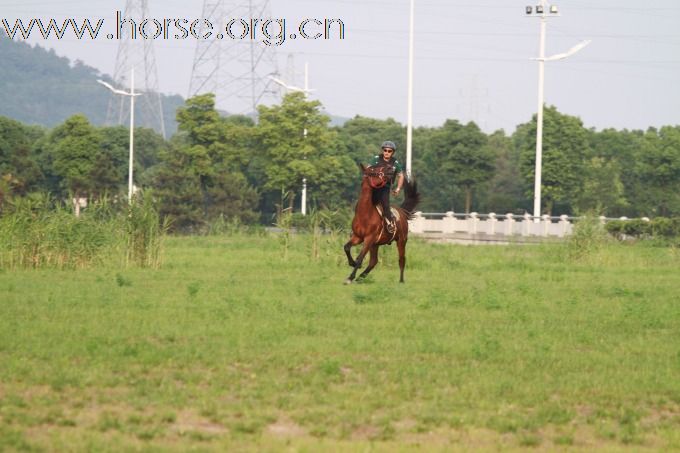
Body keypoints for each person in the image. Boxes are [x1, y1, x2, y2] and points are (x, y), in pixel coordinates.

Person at [370, 140, 404, 233]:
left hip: (385, 188)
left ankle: (390, 223)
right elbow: (368, 169)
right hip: (373, 186)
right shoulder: (376, 159)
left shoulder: (395, 163)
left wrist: (398, 189)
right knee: (363, 202)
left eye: (389, 151)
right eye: (385, 150)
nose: (387, 153)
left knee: (385, 206)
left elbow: (401, 175)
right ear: (382, 150)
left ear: (393, 152)